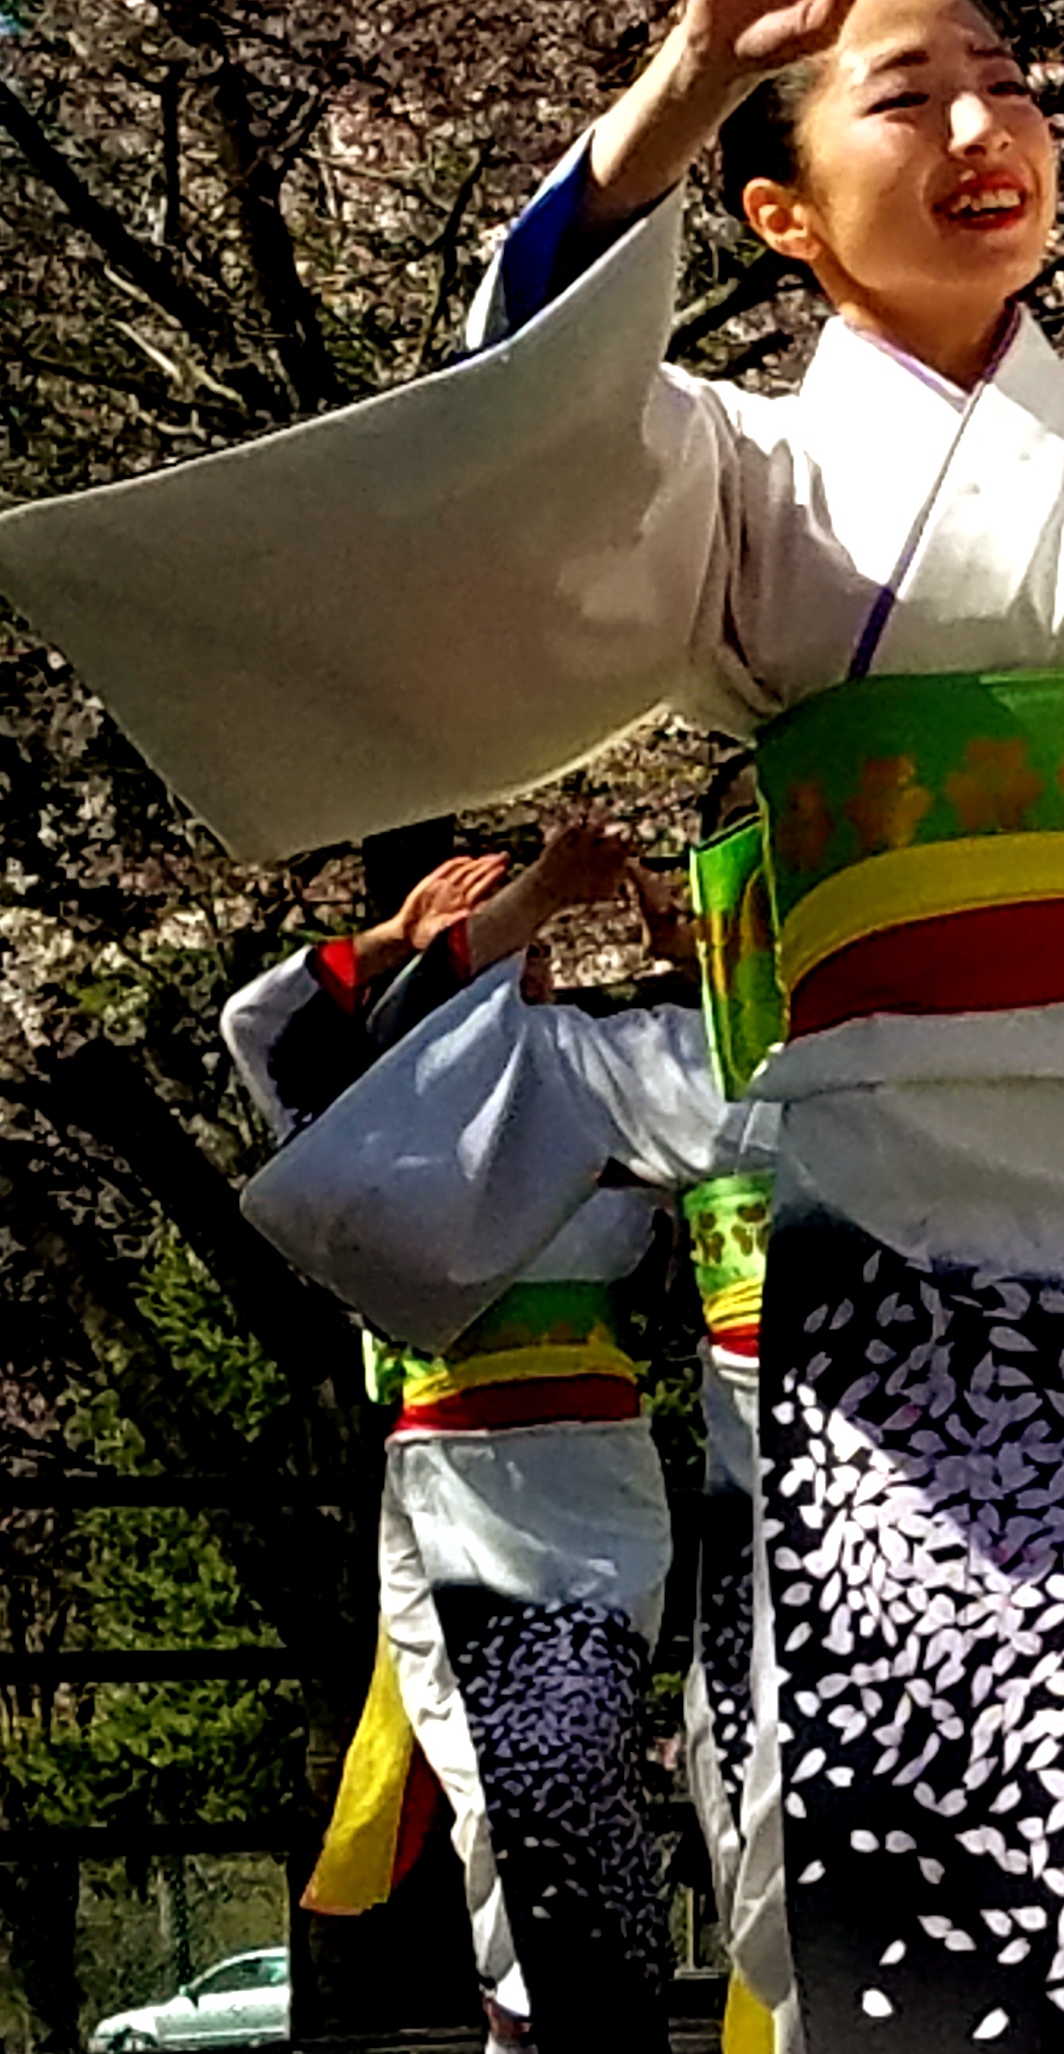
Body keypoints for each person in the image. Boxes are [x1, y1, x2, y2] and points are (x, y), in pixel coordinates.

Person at [0, 0, 1064, 2051]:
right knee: (927, 1791)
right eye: (902, 93)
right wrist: (691, 59)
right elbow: (516, 442)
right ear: (784, 213)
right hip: (899, 1199)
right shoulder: (736, 473)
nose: (981, 123)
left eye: (1013, 82)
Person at [227, 824, 690, 2054]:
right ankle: (525, 2020)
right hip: (440, 1480)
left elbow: (745, 1088)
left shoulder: (596, 1082)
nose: (507, 976)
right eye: (474, 960)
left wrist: (692, 953)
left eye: (518, 953)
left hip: (588, 1472)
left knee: (560, 1773)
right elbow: (259, 1025)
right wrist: (396, 937)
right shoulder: (375, 1128)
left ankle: (552, 2015)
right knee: (491, 1778)